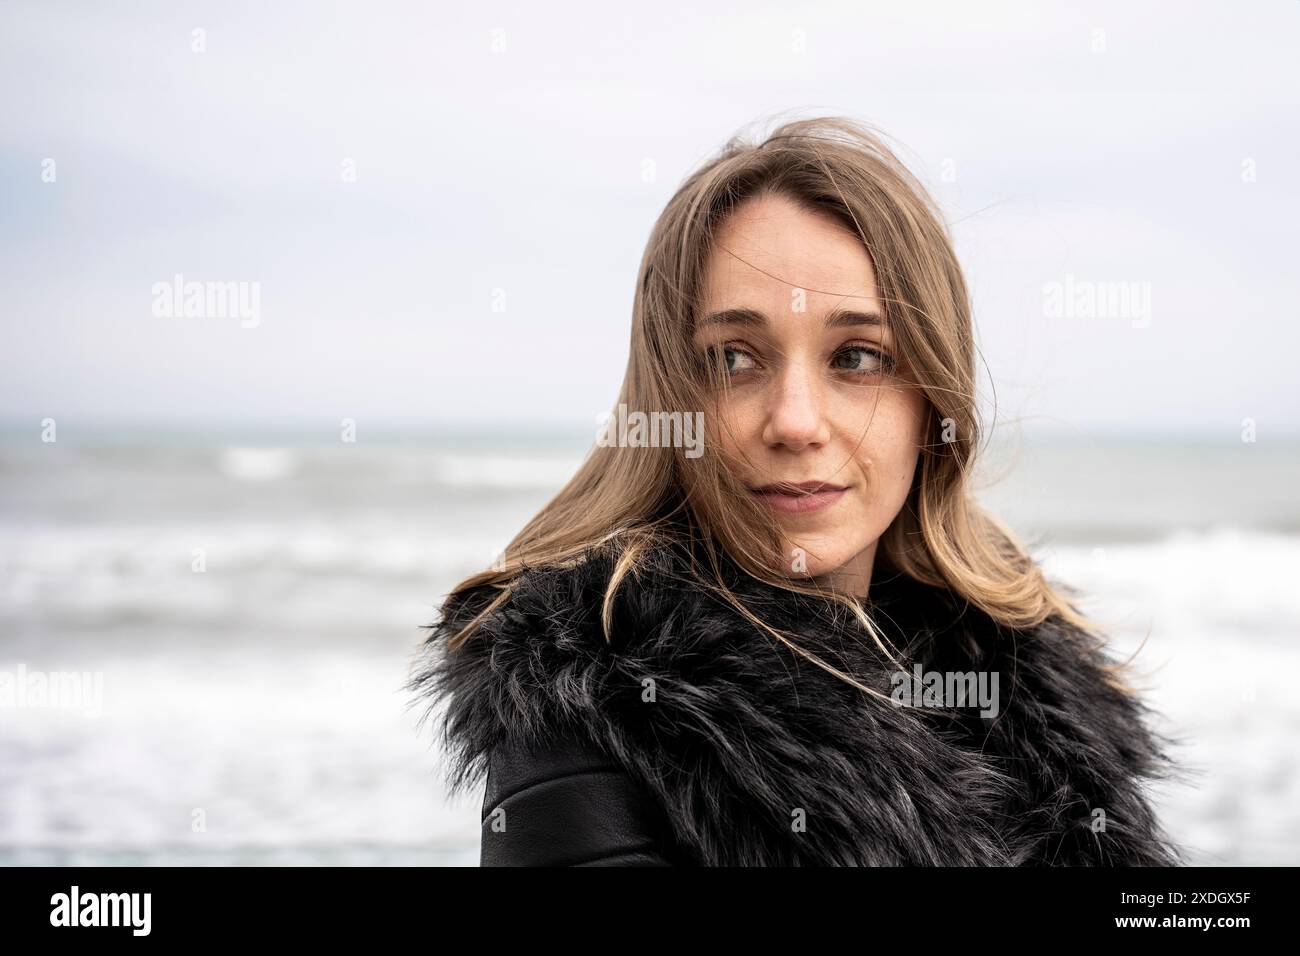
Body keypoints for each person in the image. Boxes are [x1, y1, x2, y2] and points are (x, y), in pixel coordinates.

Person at [406, 116, 1185, 866]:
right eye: (734, 360)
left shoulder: (1020, 683)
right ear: (671, 400)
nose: (795, 422)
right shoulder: (594, 708)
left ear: (930, 403)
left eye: (856, 358)